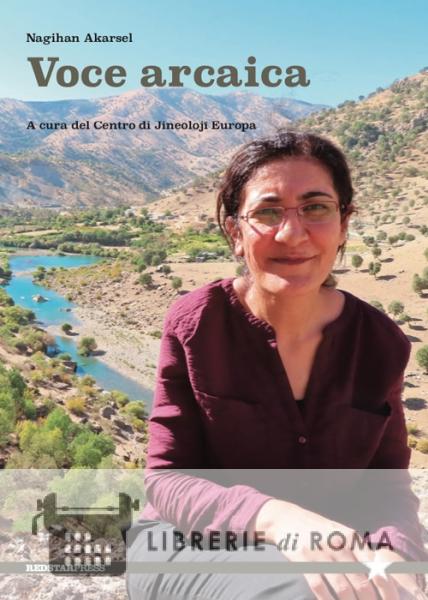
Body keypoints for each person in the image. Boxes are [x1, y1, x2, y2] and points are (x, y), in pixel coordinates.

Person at [127, 131, 427, 599]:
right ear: (235, 232)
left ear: (343, 223)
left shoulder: (378, 342)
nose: (292, 233)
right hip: (191, 542)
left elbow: (386, 485)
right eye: (268, 213)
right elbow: (167, 480)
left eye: (316, 208)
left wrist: (395, 551)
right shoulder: (197, 323)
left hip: (327, 541)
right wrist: (276, 518)